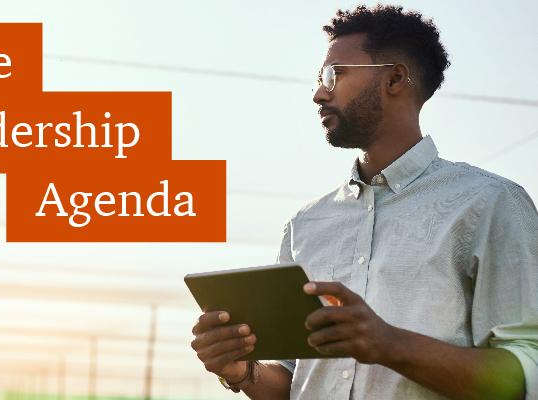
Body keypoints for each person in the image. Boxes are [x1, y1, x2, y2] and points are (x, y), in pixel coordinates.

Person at [190, 4, 538, 399]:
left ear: (394, 78)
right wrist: (241, 372)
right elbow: (294, 384)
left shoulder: (489, 203)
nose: (320, 93)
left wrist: (389, 344)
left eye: (334, 74)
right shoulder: (306, 224)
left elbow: (526, 372)